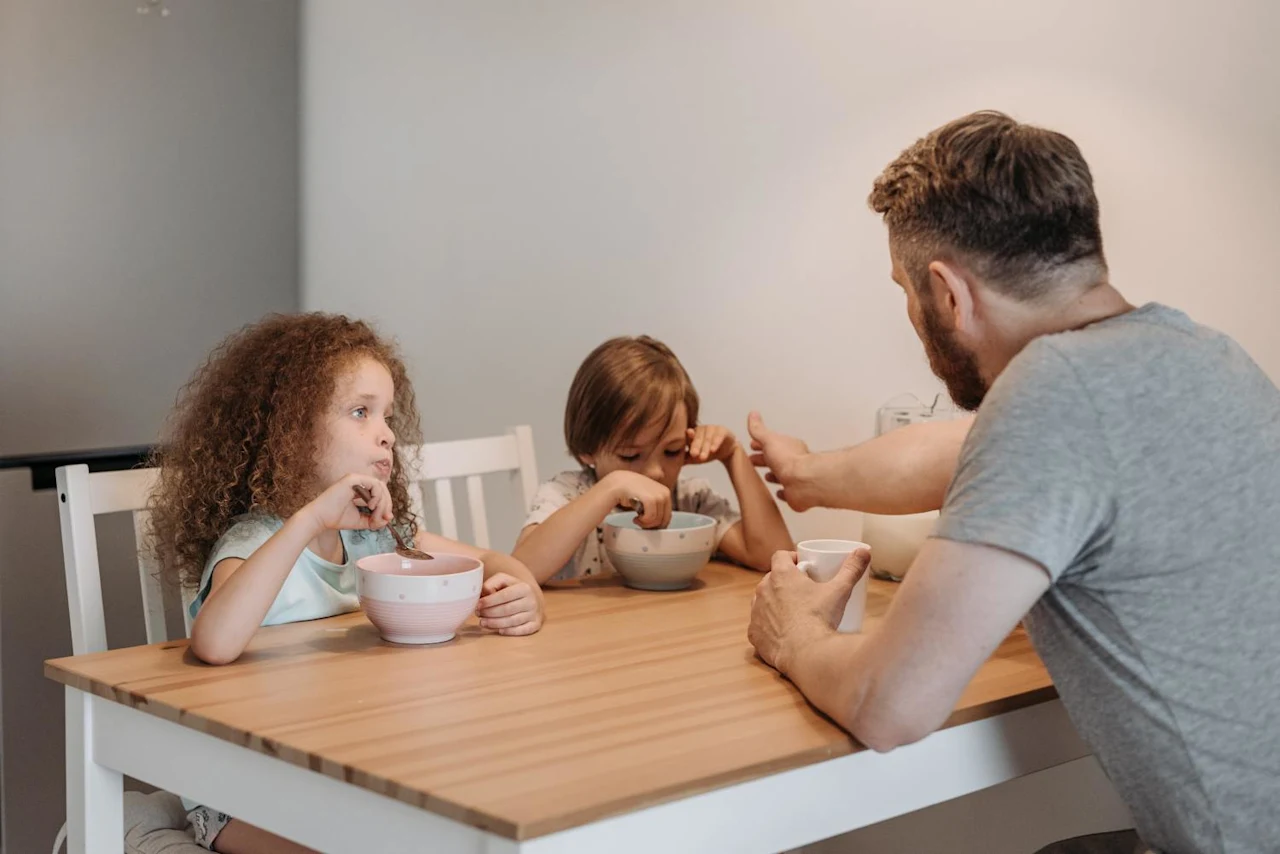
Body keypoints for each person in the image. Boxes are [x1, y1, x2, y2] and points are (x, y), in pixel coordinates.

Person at [747, 111, 1280, 854]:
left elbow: (889, 706)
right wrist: (804, 475)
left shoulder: (1050, 393)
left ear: (949, 293)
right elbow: (954, 451)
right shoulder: (1200, 354)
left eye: (905, 289)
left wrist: (793, 635)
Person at [149, 312, 544, 853]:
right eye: (361, 412)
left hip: (338, 771)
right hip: (241, 791)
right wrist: (310, 519)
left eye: (386, 415)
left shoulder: (375, 538)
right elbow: (215, 642)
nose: (385, 434)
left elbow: (498, 561)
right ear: (291, 430)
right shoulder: (259, 539)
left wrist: (524, 595)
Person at [513, 335, 792, 583]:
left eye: (671, 451)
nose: (656, 472)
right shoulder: (566, 495)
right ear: (588, 449)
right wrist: (613, 485)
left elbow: (774, 558)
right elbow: (520, 571)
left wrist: (734, 456)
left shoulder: (690, 500)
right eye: (630, 455)